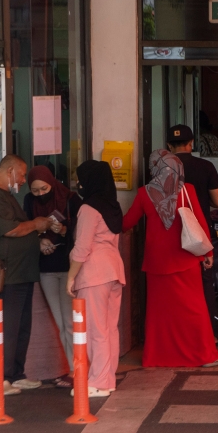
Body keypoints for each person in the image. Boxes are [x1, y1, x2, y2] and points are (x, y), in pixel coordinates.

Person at [123, 150, 218, 368]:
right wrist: (207, 253)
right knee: (195, 309)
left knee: (159, 314)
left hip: (156, 265)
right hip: (185, 260)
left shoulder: (144, 194)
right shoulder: (186, 190)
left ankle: (156, 357)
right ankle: (204, 354)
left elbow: (126, 223)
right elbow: (199, 222)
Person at [0, 155, 52, 395]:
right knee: (6, 329)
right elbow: (9, 229)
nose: (22, 180)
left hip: (21, 272)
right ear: (9, 171)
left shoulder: (6, 195)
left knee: (21, 327)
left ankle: (16, 374)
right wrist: (37, 224)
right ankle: (1, 379)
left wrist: (35, 241)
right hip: (7, 274)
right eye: (20, 175)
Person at [65, 161, 124, 397]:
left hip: (94, 273)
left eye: (81, 179)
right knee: (110, 329)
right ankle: (107, 378)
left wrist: (71, 277)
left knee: (95, 330)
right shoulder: (113, 206)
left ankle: (98, 381)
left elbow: (82, 247)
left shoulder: (89, 208)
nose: (78, 184)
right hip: (114, 270)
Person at [23, 165, 81, 388]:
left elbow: (80, 232)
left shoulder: (70, 199)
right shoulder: (29, 201)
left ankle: (80, 369)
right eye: (35, 191)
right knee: (61, 322)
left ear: (52, 182)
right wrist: (39, 240)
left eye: (43, 189)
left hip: (68, 266)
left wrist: (63, 231)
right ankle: (73, 368)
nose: (40, 194)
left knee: (70, 323)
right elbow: (25, 227)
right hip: (45, 266)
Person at [167, 124, 218, 342]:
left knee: (176, 285)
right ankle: (206, 335)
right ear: (191, 144)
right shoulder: (206, 166)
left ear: (168, 146)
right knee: (204, 284)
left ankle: (179, 335)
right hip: (199, 235)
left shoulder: (161, 168)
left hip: (171, 234)